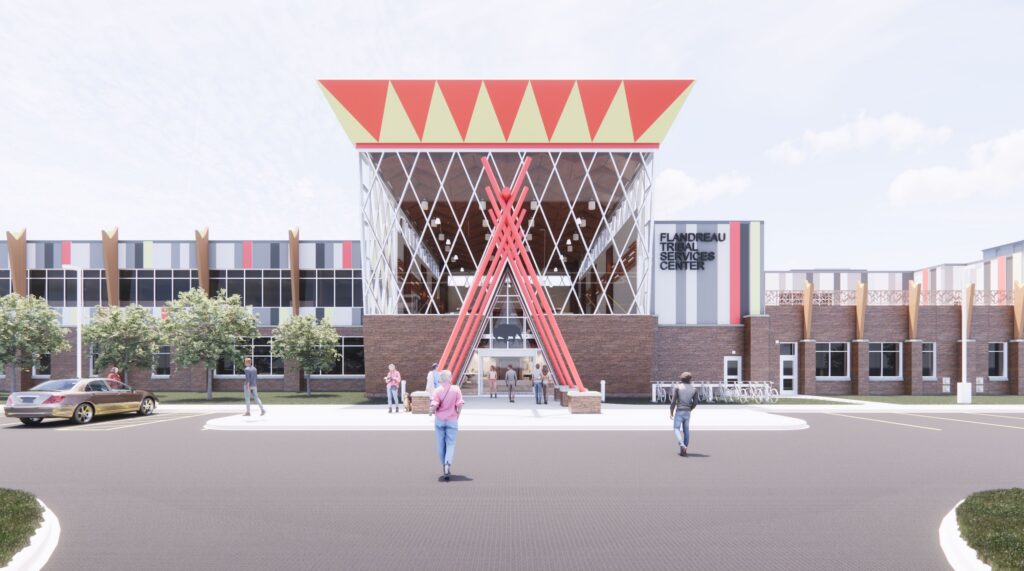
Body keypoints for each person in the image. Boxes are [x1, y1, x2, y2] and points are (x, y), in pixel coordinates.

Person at [429, 370, 464, 481]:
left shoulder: (437, 390)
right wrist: (457, 415)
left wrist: (431, 410)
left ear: (441, 378)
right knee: (450, 444)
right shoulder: (456, 389)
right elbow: (460, 404)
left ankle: (443, 465)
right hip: (452, 420)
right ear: (450, 378)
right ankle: (448, 464)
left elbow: (434, 404)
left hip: (439, 421)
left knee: (440, 444)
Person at [669, 372, 698, 456]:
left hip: (679, 411)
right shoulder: (694, 389)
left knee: (676, 428)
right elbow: (695, 402)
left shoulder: (677, 387)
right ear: (690, 379)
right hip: (687, 412)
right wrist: (690, 409)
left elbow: (673, 401)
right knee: (686, 430)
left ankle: (682, 445)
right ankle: (685, 449)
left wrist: (671, 411)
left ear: (681, 378)